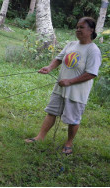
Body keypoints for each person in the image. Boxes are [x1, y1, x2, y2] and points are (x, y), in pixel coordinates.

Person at [24, 17, 101, 155]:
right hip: (60, 88)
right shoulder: (71, 44)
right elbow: (59, 59)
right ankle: (40, 137)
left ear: (91, 30)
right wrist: (49, 68)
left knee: (73, 119)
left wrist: (70, 81)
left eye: (81, 27)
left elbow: (91, 73)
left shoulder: (93, 50)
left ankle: (68, 143)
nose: (78, 30)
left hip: (77, 92)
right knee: (52, 112)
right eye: (77, 27)